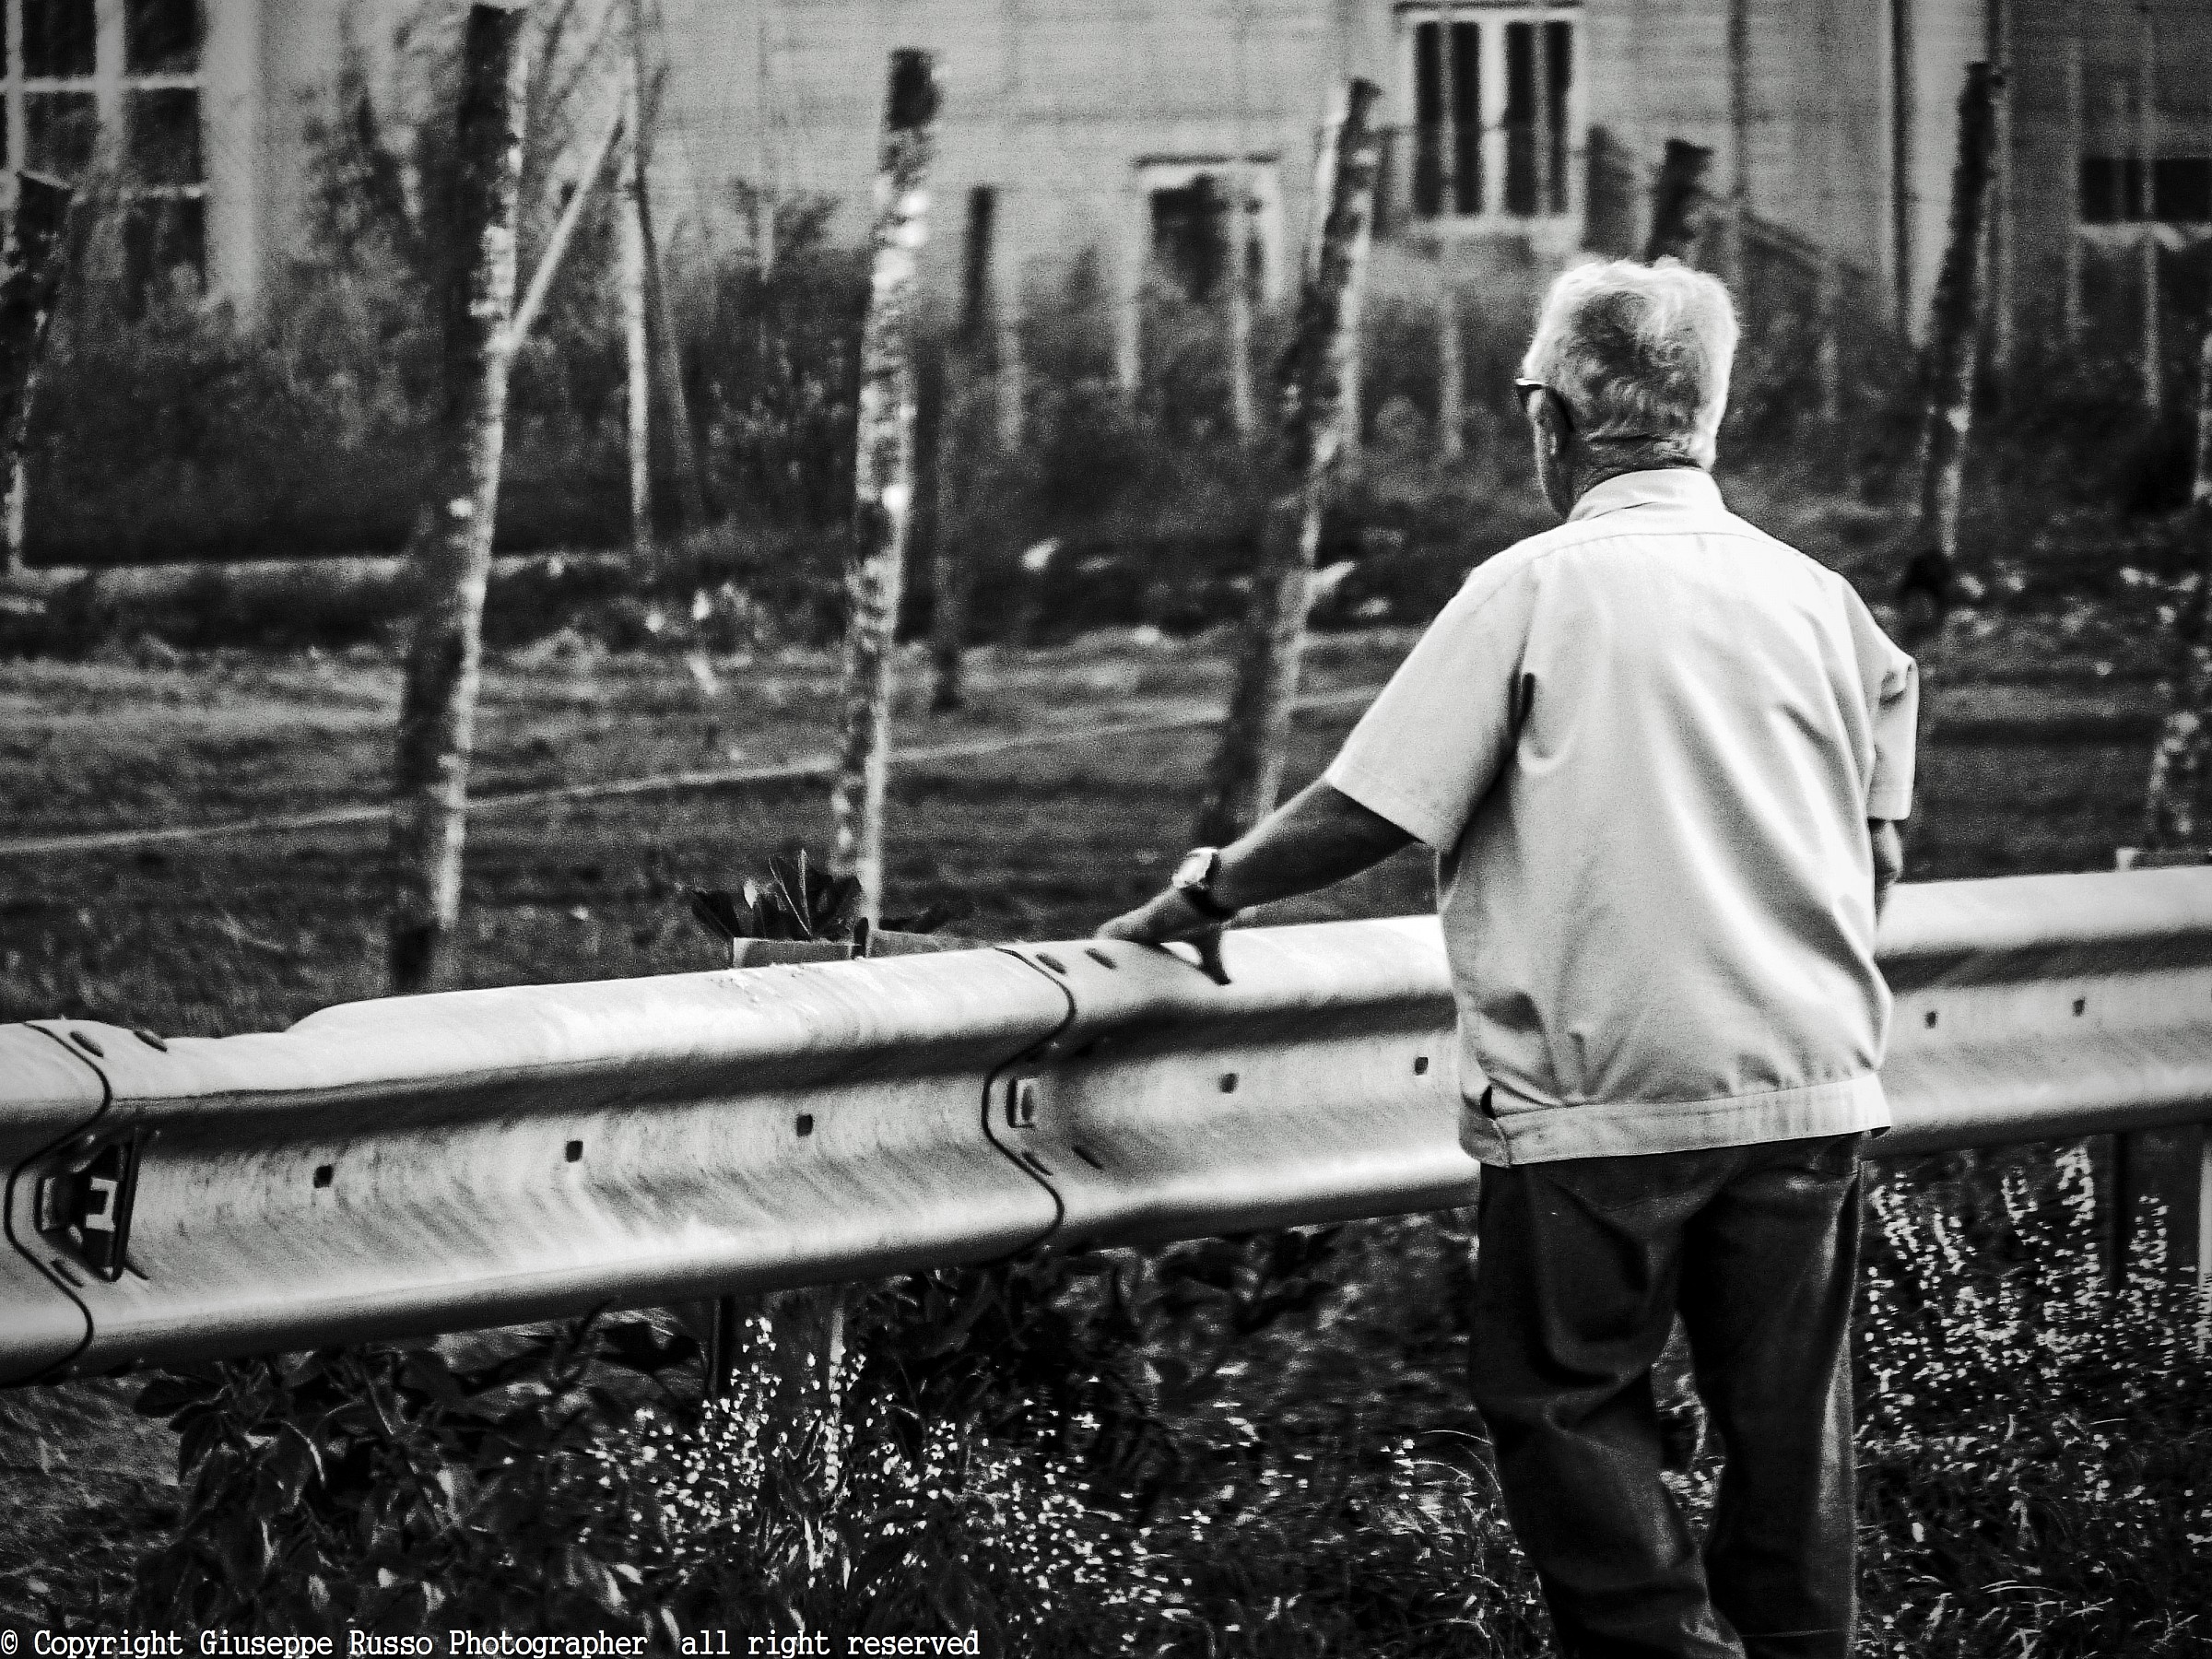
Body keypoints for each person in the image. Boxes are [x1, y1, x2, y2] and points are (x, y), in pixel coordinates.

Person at [1098, 258, 1917, 1659]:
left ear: (1549, 415)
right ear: (1711, 412)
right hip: (1811, 1085)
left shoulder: (1531, 589)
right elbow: (1880, 850)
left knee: (1561, 1396)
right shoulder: (1825, 604)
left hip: (1599, 1089)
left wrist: (1207, 889)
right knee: (1792, 1427)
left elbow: (1370, 804)